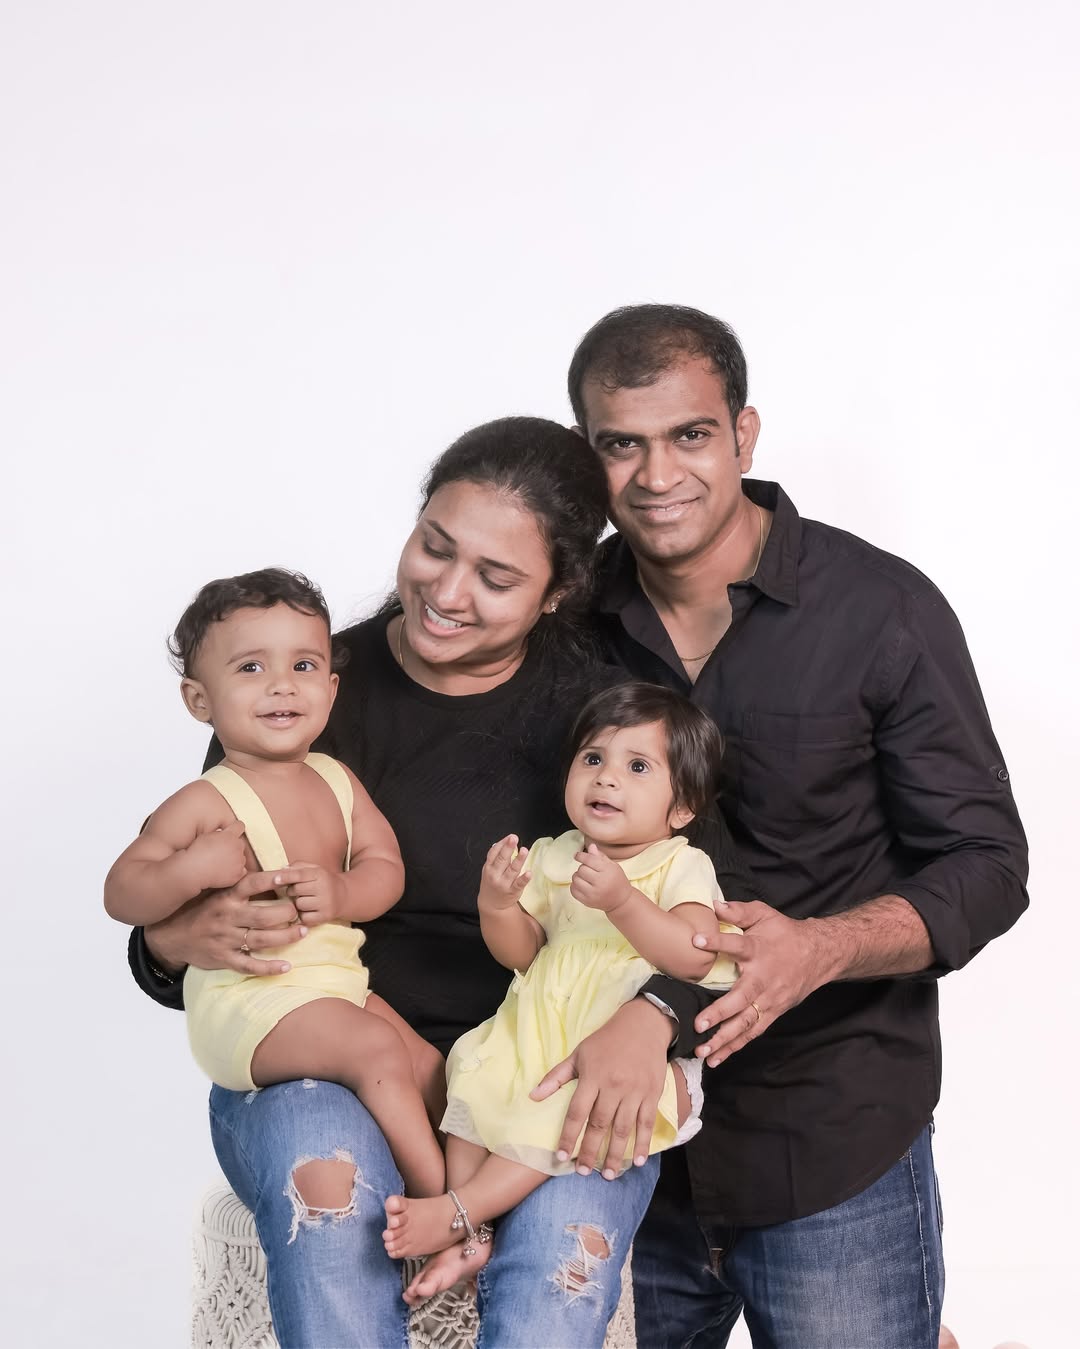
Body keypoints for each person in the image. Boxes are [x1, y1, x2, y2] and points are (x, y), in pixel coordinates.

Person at [126, 416, 761, 1347]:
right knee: (331, 1213)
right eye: (434, 545)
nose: (447, 592)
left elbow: (718, 915)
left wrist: (653, 1016)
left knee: (560, 1273)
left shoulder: (605, 719)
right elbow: (165, 936)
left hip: (547, 1075)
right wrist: (174, 940)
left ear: (556, 593)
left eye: (496, 578)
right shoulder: (304, 686)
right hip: (327, 1068)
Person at [558, 303, 1029, 1348]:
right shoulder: (561, 616)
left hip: (829, 1136)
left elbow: (989, 862)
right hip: (612, 1153)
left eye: (689, 434)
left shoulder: (881, 609)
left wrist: (822, 947)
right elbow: (397, 681)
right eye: (620, 444)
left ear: (744, 433)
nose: (656, 474)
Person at [105, 568, 445, 1197]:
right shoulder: (205, 801)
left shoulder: (337, 779)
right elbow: (121, 892)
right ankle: (441, 1208)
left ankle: (469, 1190)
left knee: (430, 1066)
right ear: (199, 701)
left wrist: (342, 893)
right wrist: (189, 870)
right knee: (376, 1048)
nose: (282, 684)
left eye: (304, 666)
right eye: (251, 668)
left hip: (336, 987)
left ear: (332, 688)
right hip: (249, 1001)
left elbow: (385, 869)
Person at [382, 681, 740, 1274]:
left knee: (559, 1108)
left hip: (613, 1048)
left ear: (682, 808)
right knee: (473, 1077)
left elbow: (694, 955)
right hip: (538, 1027)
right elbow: (523, 954)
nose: (607, 778)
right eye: (593, 758)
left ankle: (459, 1212)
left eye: (637, 767)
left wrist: (623, 901)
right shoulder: (555, 853)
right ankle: (471, 1235)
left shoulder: (680, 863)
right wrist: (498, 905)